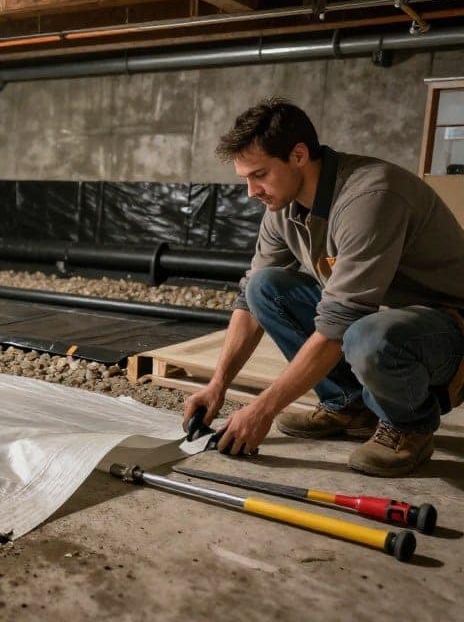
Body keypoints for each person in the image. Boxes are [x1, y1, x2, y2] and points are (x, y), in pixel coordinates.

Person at [182, 97, 464, 477]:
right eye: (245, 178)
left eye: (260, 174)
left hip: (449, 328)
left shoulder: (370, 197)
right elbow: (248, 301)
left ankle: (409, 427)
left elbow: (339, 325)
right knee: (264, 287)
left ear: (298, 155)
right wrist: (218, 385)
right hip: (387, 317)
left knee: (366, 335)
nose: (251, 191)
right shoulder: (281, 207)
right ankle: (349, 406)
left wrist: (263, 409)